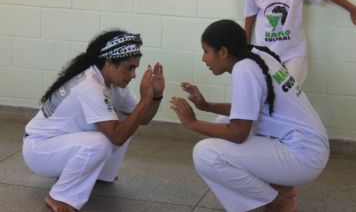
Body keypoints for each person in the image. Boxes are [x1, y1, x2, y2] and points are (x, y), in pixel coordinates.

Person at [170, 19, 329, 212]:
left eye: (206, 51)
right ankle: (283, 187)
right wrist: (207, 106)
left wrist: (192, 123)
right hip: (309, 146)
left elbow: (238, 133)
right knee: (223, 122)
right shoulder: (257, 55)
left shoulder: (244, 70)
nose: (203, 59)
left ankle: (277, 201)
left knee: (206, 154)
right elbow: (247, 111)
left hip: (303, 156)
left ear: (223, 52)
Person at [22, 30, 165, 212]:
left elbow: (143, 119)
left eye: (135, 68)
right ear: (109, 63)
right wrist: (145, 99)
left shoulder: (114, 83)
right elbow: (117, 137)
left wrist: (156, 96)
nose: (133, 75)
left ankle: (103, 174)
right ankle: (60, 196)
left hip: (60, 144)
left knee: (129, 118)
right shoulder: (90, 86)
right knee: (102, 141)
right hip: (40, 151)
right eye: (129, 68)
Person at [244, 0, 356, 84]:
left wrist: (352, 9)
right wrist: (244, 48)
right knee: (270, 94)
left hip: (293, 53)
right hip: (266, 54)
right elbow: (249, 20)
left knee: (289, 93)